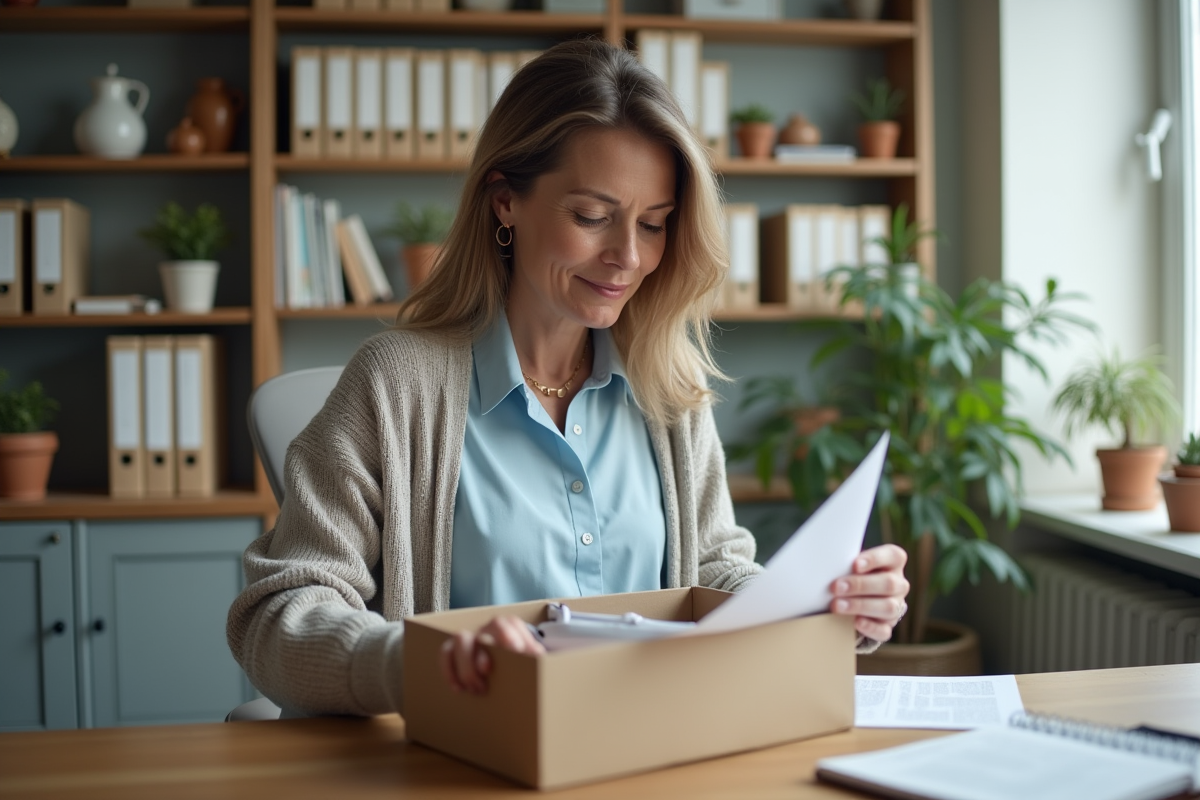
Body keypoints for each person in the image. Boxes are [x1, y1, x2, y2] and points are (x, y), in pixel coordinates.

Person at [227, 38, 908, 715]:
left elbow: (712, 572)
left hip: (648, 749)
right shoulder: (394, 384)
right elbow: (279, 613)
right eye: (592, 217)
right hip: (472, 760)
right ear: (505, 202)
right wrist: (416, 661)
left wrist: (827, 605)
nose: (628, 258)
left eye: (654, 224)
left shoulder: (663, 387)